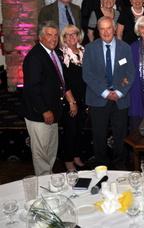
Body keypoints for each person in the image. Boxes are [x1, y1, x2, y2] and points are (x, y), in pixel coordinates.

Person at [23, 21, 76, 175]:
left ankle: (48, 179)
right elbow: (32, 89)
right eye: (49, 35)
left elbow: (61, 80)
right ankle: (44, 182)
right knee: (41, 153)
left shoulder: (54, 54)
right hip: (39, 114)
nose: (53, 39)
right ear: (40, 37)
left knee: (50, 150)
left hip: (53, 112)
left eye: (55, 35)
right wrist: (45, 110)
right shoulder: (35, 57)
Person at [82, 16, 135, 168]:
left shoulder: (125, 47)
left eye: (108, 28)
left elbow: (130, 73)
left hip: (120, 99)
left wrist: (119, 92)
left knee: (121, 135)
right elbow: (87, 75)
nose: (106, 32)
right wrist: (105, 92)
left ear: (114, 29)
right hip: (98, 99)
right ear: (98, 31)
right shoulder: (90, 48)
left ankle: (119, 166)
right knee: (99, 135)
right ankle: (101, 167)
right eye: (102, 29)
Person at [59, 25, 87, 172]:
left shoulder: (84, 51)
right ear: (63, 38)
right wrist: (72, 102)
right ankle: (68, 160)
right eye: (67, 35)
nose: (71, 37)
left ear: (79, 35)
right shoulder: (61, 55)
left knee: (79, 129)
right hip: (70, 100)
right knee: (70, 130)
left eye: (74, 34)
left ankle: (76, 155)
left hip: (83, 99)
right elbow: (63, 81)